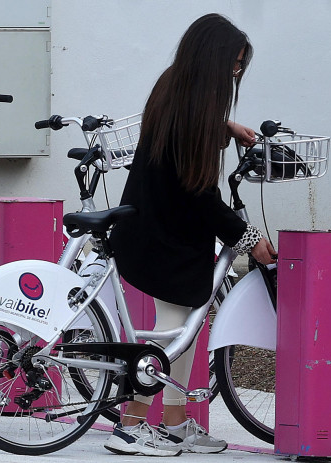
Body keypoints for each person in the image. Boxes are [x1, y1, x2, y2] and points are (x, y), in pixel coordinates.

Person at [105, 13, 277, 456]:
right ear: (212, 59)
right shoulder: (189, 105)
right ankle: (131, 423)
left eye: (240, 66)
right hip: (161, 237)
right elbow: (200, 194)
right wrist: (248, 235)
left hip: (158, 230)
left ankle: (176, 422)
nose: (235, 74)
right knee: (174, 329)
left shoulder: (177, 87)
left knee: (187, 327)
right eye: (233, 65)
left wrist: (227, 128)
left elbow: (189, 143)